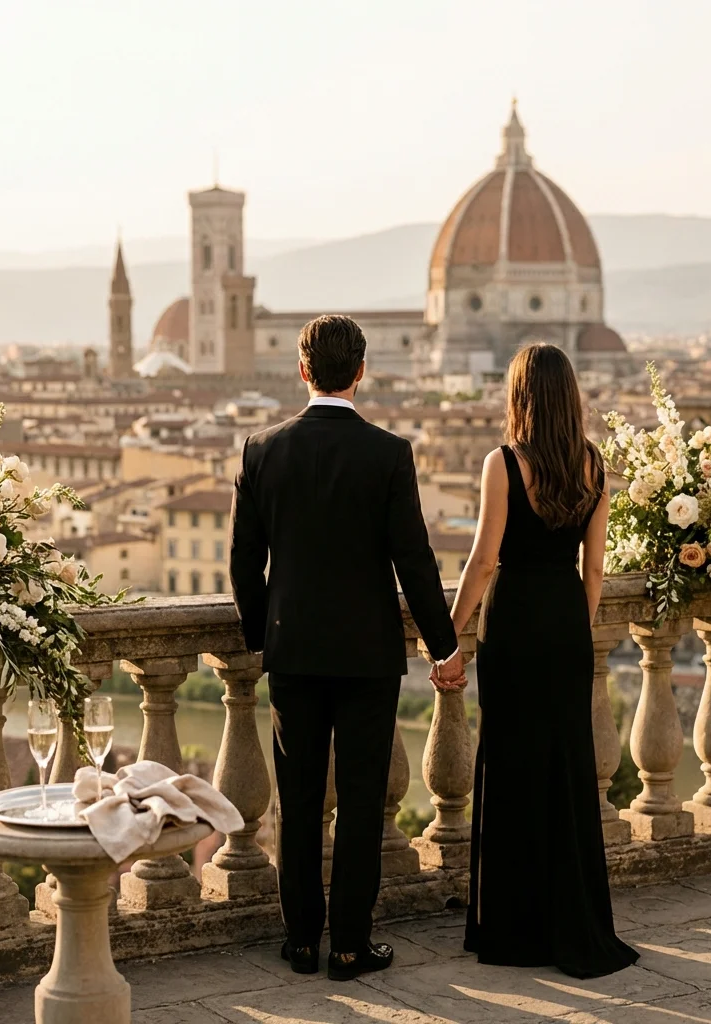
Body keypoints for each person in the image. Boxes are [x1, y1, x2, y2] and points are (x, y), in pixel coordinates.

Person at [230, 314, 462, 981]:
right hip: (367, 654)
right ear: (361, 372)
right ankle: (352, 946)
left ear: (303, 371)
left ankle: (302, 942)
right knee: (361, 803)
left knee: (299, 800)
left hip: (293, 651)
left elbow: (244, 562)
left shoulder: (261, 450)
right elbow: (414, 561)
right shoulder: (388, 453)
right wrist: (443, 646)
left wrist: (260, 636)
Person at [434, 342, 639, 979]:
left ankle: (513, 926)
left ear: (520, 396)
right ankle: (572, 916)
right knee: (567, 767)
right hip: (565, 622)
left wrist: (447, 636)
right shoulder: (594, 465)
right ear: (569, 396)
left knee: (512, 765)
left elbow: (482, 562)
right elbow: (594, 568)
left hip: (516, 622)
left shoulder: (503, 463)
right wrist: (574, 626)